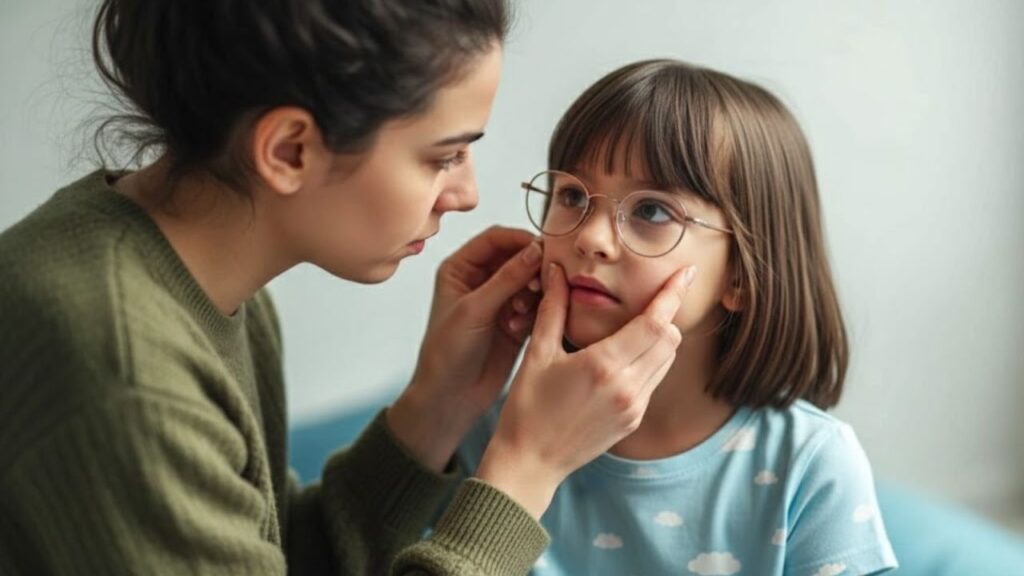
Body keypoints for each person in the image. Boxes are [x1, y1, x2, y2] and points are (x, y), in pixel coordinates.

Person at [0, 3, 693, 575]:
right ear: (290, 150)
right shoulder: (125, 367)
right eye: (444, 156)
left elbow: (260, 552)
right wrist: (527, 469)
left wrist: (436, 407)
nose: (466, 194)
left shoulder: (194, 278)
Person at [457, 59, 899, 575]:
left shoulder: (811, 465)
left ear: (741, 275)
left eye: (651, 211)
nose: (591, 238)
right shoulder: (497, 439)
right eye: (573, 195)